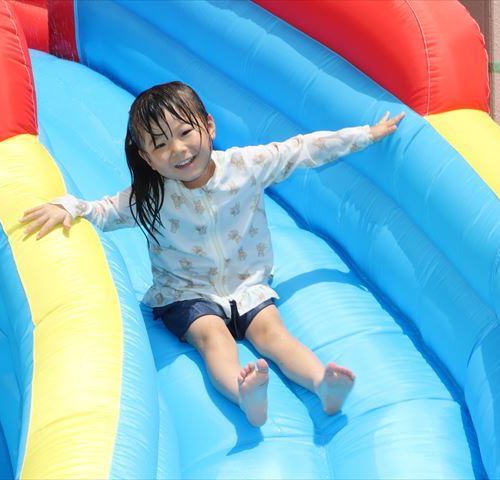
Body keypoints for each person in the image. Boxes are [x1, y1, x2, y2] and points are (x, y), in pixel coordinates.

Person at [21, 81, 404, 427]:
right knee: (213, 338)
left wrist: (365, 135)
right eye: (160, 144)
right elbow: (102, 211)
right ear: (148, 158)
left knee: (274, 333)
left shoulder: (245, 166)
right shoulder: (152, 196)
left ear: (209, 126)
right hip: (185, 294)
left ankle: (322, 384)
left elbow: (302, 149)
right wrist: (67, 206)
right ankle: (243, 393)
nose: (178, 149)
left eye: (185, 132)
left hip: (247, 285)